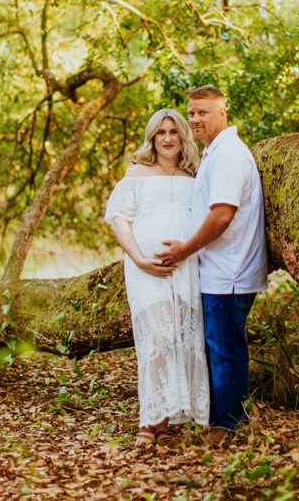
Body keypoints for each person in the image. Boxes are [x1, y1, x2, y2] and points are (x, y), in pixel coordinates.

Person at [156, 86, 268, 434]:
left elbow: (222, 215)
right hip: (219, 271)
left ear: (223, 112)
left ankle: (233, 428)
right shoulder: (215, 153)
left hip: (229, 273)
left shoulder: (228, 155)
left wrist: (183, 250)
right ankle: (223, 423)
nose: (194, 119)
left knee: (225, 353)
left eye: (203, 112)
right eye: (191, 112)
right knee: (219, 349)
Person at [104, 109, 210, 447]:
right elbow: (119, 220)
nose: (167, 138)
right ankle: (148, 423)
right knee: (158, 340)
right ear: (152, 137)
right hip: (146, 270)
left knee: (181, 340)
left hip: (187, 270)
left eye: (173, 132)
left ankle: (167, 423)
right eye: (160, 132)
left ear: (183, 137)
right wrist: (140, 260)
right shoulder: (137, 173)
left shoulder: (194, 175)